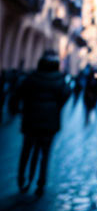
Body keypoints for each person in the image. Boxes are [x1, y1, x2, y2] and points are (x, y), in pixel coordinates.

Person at [13, 50, 70, 196]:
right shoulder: (59, 80)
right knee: (45, 154)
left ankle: (22, 179)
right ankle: (41, 182)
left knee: (26, 151)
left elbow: (19, 94)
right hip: (49, 124)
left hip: (31, 121)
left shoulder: (31, 78)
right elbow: (65, 95)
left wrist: (21, 109)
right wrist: (55, 107)